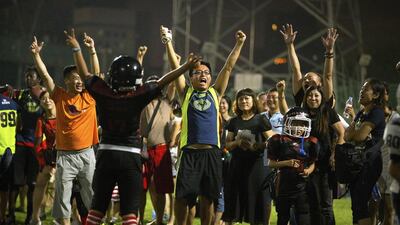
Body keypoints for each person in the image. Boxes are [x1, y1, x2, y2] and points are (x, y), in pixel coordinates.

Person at [62, 28, 201, 225]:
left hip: (106, 154)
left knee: (96, 210)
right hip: (130, 156)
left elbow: (85, 75)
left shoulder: (104, 93)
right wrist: (185, 66)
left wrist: (77, 49)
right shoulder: (138, 95)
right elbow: (164, 81)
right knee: (129, 214)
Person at [161, 25, 246, 225]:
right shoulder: (186, 93)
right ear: (191, 77)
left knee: (209, 198)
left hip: (212, 154)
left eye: (206, 72)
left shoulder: (216, 93)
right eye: (198, 73)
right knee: (184, 198)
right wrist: (168, 41)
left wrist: (239, 43)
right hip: (190, 153)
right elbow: (175, 67)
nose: (203, 75)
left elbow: (228, 67)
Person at [30, 34, 98, 225]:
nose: (80, 81)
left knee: (92, 196)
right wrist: (36, 55)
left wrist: (92, 50)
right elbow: (45, 76)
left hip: (87, 154)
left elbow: (96, 73)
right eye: (75, 78)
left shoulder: (89, 97)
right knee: (62, 198)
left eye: (81, 78)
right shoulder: (59, 95)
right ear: (67, 80)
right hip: (65, 156)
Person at [223, 88, 274, 225]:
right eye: (241, 99)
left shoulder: (261, 119)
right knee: (234, 200)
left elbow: (271, 141)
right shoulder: (233, 122)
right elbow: (227, 144)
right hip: (237, 165)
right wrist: (237, 142)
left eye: (247, 98)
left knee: (258, 202)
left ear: (253, 101)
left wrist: (257, 146)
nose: (244, 101)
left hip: (257, 167)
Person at [344, 78, 386, 225]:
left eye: (365, 89)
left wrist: (356, 134)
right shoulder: (361, 113)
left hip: (371, 162)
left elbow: (359, 136)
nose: (361, 91)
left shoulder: (377, 112)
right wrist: (356, 132)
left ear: (375, 95)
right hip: (359, 163)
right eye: (361, 88)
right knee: (356, 204)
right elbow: (347, 135)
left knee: (361, 203)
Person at [267, 107, 319, 225]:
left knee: (304, 218)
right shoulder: (278, 140)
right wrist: (287, 163)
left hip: (302, 186)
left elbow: (313, 163)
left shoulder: (311, 142)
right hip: (283, 184)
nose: (300, 127)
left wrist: (308, 171)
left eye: (303, 124)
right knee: (283, 218)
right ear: (287, 123)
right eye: (296, 123)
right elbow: (270, 163)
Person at [301, 86, 345, 225]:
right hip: (307, 164)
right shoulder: (302, 114)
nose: (313, 98)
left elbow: (341, 133)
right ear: (305, 98)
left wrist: (335, 154)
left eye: (316, 96)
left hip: (325, 165)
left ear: (322, 98)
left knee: (326, 205)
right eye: (310, 95)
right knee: (312, 204)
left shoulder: (328, 112)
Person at [7, 67, 44, 225]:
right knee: (15, 183)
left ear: (39, 79)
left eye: (31, 76)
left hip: (35, 146)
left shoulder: (44, 96)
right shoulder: (19, 94)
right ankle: (11, 215)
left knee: (32, 185)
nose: (28, 79)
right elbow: (4, 93)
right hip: (20, 144)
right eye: (26, 76)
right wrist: (6, 88)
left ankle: (30, 217)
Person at [139, 75, 175, 225]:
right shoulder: (141, 103)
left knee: (160, 188)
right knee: (141, 188)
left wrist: (176, 66)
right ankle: (139, 220)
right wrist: (140, 58)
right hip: (142, 149)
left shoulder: (166, 102)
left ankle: (159, 220)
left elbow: (173, 83)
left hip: (161, 149)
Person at [280, 25, 338, 107]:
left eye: (310, 78)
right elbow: (296, 70)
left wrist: (329, 50)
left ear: (321, 83)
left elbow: (328, 75)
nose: (306, 80)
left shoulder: (326, 96)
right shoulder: (300, 96)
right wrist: (290, 45)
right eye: (305, 79)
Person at [30, 91, 57, 225]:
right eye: (43, 99)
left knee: (73, 187)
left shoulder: (65, 115)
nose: (47, 101)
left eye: (49, 98)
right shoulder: (41, 120)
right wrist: (44, 163)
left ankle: (74, 217)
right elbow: (37, 145)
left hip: (68, 156)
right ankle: (35, 217)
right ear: (40, 103)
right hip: (50, 158)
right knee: (41, 182)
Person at [0, 93, 18, 225]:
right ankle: (2, 217)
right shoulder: (12, 104)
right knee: (5, 188)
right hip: (10, 150)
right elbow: (20, 126)